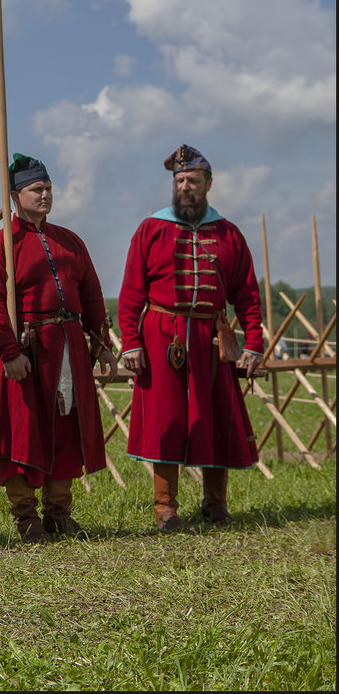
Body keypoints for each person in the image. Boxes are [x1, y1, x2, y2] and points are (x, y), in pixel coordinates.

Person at [0, 154, 117, 543]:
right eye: (37, 189)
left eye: (49, 187)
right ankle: (25, 517)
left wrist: (100, 344)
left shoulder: (69, 241)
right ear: (16, 196)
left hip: (68, 346)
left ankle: (59, 513)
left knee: (67, 428)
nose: (46, 194)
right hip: (27, 349)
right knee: (24, 431)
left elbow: (92, 294)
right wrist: (8, 352)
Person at [119, 145, 264, 529]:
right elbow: (132, 291)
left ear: (208, 184)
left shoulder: (229, 233)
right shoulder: (151, 229)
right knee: (165, 418)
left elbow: (247, 294)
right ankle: (165, 508)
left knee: (216, 415)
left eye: (193, 181)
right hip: (162, 337)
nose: (185, 187)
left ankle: (215, 504)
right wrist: (130, 341)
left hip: (211, 339)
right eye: (179, 180)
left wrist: (254, 343)